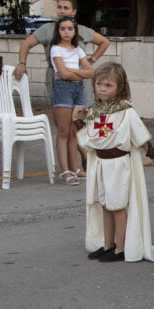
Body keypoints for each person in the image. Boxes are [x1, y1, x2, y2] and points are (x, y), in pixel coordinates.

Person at [73, 62, 154, 263]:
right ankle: (108, 245)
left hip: (118, 164)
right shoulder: (94, 111)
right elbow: (90, 140)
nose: (102, 89)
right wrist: (77, 121)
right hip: (101, 163)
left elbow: (140, 138)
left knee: (117, 206)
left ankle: (122, 248)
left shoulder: (126, 111)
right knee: (105, 205)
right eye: (99, 84)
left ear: (120, 87)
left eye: (108, 85)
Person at [14, 0, 109, 94]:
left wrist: (91, 60)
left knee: (82, 108)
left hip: (80, 77)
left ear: (74, 11)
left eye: (66, 8)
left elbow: (104, 42)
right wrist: (21, 63)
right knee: (60, 107)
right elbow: (26, 43)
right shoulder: (47, 29)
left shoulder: (82, 30)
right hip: (57, 77)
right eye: (59, 7)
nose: (62, 11)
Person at [50, 16, 95, 186]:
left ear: (75, 30)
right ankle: (64, 170)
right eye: (63, 29)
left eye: (70, 28)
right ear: (58, 30)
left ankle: (75, 168)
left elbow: (91, 73)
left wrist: (69, 70)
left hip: (78, 89)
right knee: (63, 131)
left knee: (75, 130)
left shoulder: (78, 49)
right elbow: (63, 74)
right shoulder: (55, 49)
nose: (66, 32)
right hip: (63, 89)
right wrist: (72, 71)